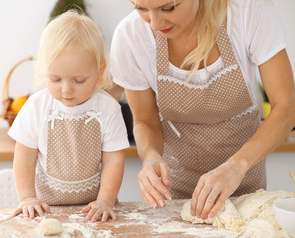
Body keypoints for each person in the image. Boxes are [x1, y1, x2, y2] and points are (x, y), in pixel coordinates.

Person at [110, 0, 295, 221]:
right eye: (140, 8)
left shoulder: (249, 11)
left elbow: (286, 107)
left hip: (245, 188)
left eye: (168, 8)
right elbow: (145, 121)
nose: (155, 24)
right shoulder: (130, 36)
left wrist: (237, 166)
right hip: (175, 194)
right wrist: (150, 156)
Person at [8, 11, 129, 222]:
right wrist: (27, 198)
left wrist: (105, 201)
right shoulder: (36, 106)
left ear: (100, 72)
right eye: (55, 79)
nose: (66, 90)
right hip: (46, 211)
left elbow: (113, 160)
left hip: (95, 212)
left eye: (79, 80)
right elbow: (25, 155)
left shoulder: (108, 108)